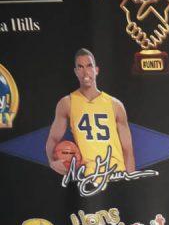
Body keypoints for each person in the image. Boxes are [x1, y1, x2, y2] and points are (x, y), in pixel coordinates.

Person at [46, 48, 135, 177]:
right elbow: (53, 138)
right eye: (80, 67)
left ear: (96, 70)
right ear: (76, 72)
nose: (85, 71)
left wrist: (130, 181)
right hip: (89, 177)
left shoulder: (115, 105)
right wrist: (52, 162)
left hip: (116, 174)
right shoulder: (67, 103)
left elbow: (128, 150)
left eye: (89, 66)